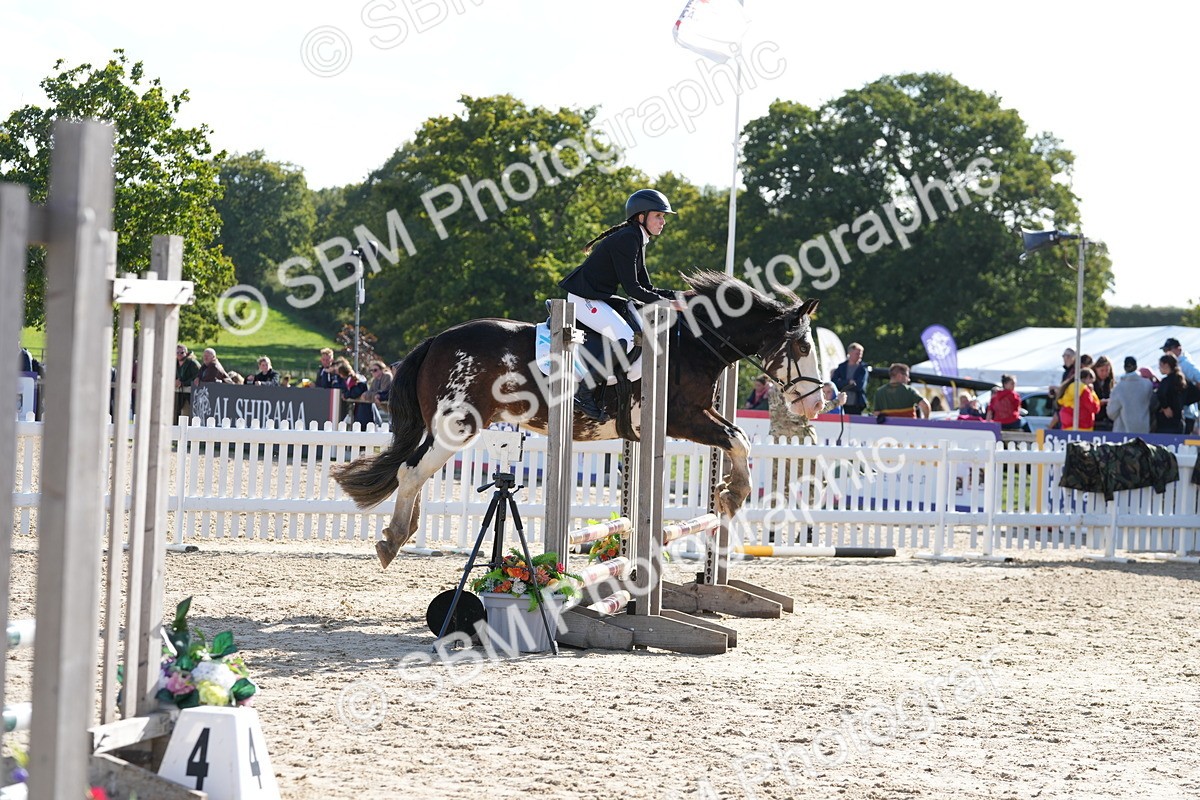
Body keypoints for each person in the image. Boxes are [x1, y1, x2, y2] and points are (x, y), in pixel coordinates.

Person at [557, 189, 686, 421]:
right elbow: (634, 290)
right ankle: (584, 392)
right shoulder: (628, 239)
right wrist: (669, 305)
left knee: (632, 324)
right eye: (658, 216)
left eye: (663, 216)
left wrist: (683, 295)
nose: (663, 221)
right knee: (625, 338)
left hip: (598, 297)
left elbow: (648, 288)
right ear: (641, 217)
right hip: (584, 299)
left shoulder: (636, 238)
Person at [1106, 356, 1154, 434]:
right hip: (1143, 429)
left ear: (1124, 367)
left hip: (1122, 431)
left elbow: (1111, 413)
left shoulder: (1118, 387)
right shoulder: (1147, 384)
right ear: (1136, 367)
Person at [1161, 337, 1200, 434]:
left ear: (1178, 349)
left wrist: (1188, 397)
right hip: (1179, 414)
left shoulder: (1186, 364)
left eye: (1168, 349)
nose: (1166, 352)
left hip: (1187, 413)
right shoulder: (1174, 365)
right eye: (1165, 350)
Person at [831, 343, 869, 415]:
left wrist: (843, 385)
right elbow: (834, 383)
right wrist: (848, 382)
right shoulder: (841, 367)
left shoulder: (863, 369)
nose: (860, 356)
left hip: (856, 405)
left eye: (861, 354)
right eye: (857, 354)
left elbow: (860, 386)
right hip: (841, 403)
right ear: (850, 353)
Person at [337, 361, 377, 428]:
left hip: (363, 407)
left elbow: (355, 392)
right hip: (361, 406)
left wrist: (346, 395)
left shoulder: (354, 379)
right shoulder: (353, 378)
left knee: (363, 425)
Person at [1154, 354, 1187, 435]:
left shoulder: (1166, 381)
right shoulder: (1181, 380)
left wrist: (1165, 407)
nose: (1159, 368)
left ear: (1166, 365)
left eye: (1160, 365)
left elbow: (1161, 394)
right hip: (1179, 421)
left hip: (1167, 422)